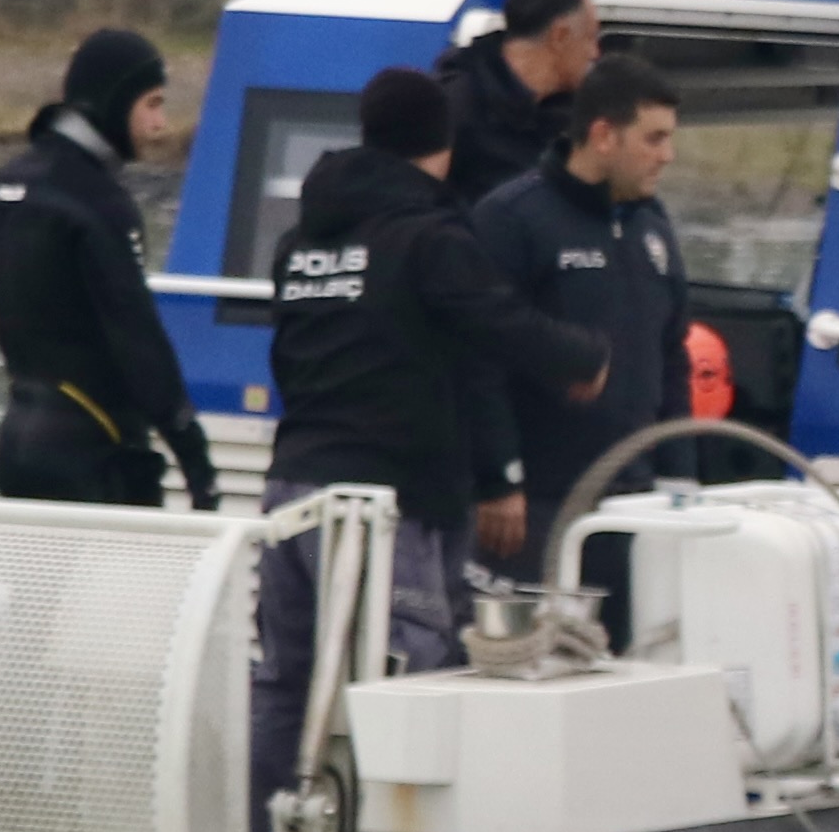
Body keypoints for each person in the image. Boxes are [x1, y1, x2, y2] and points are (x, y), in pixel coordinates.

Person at [252, 64, 609, 778]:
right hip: (383, 505)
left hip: (291, 494)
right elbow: (501, 323)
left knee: (285, 682)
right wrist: (584, 356)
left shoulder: (302, 244)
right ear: (443, 145)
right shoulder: (428, 239)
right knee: (406, 672)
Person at [0, 27, 220, 509]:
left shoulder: (2, 191)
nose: (160, 125)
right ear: (114, 101)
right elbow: (138, 337)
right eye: (152, 104)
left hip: (18, 440)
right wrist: (195, 459)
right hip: (94, 451)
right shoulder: (98, 203)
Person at [472, 49, 692, 563]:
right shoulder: (513, 219)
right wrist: (498, 478)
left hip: (637, 499)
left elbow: (672, 357)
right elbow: (478, 361)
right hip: (536, 502)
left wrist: (681, 477)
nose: (667, 155)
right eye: (654, 138)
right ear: (603, 136)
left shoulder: (653, 226)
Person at [440, 0, 606, 198]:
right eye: (590, 37)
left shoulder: (580, 118)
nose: (595, 53)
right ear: (560, 36)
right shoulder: (454, 106)